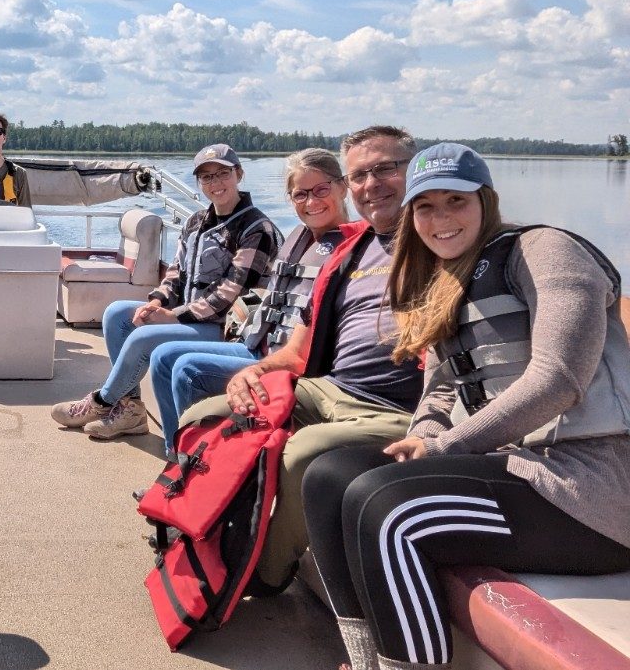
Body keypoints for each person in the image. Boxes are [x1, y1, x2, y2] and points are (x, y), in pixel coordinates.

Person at [303, 144, 630, 670]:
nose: (441, 219)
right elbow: (438, 389)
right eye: (425, 207)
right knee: (329, 476)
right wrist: (422, 438)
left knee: (392, 510)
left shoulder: (546, 251)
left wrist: (444, 445)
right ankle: (366, 661)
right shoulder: (443, 279)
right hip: (505, 466)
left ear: (485, 200)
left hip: (588, 491)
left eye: (455, 200)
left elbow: (559, 379)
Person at [176, 125, 425, 592]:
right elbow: (297, 349)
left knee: (302, 453)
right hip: (328, 387)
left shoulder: (438, 239)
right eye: (360, 175)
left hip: (397, 407)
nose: (372, 184)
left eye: (386, 169)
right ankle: (194, 530)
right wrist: (255, 370)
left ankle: (261, 575)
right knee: (203, 415)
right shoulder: (352, 249)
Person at [52, 143, 281, 441]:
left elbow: (230, 293)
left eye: (222, 174)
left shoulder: (256, 229)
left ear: (238, 174)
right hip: (189, 317)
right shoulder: (196, 222)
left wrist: (172, 317)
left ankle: (102, 401)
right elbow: (175, 272)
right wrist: (158, 301)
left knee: (144, 337)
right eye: (207, 177)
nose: (215, 183)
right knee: (118, 314)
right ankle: (130, 409)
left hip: (227, 329)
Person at [148, 147, 350, 452]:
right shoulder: (300, 237)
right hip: (258, 343)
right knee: (163, 357)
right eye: (299, 195)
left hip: (288, 360)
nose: (311, 202)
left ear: (343, 187)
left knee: (187, 368)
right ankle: (176, 457)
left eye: (321, 189)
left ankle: (199, 462)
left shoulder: (350, 245)